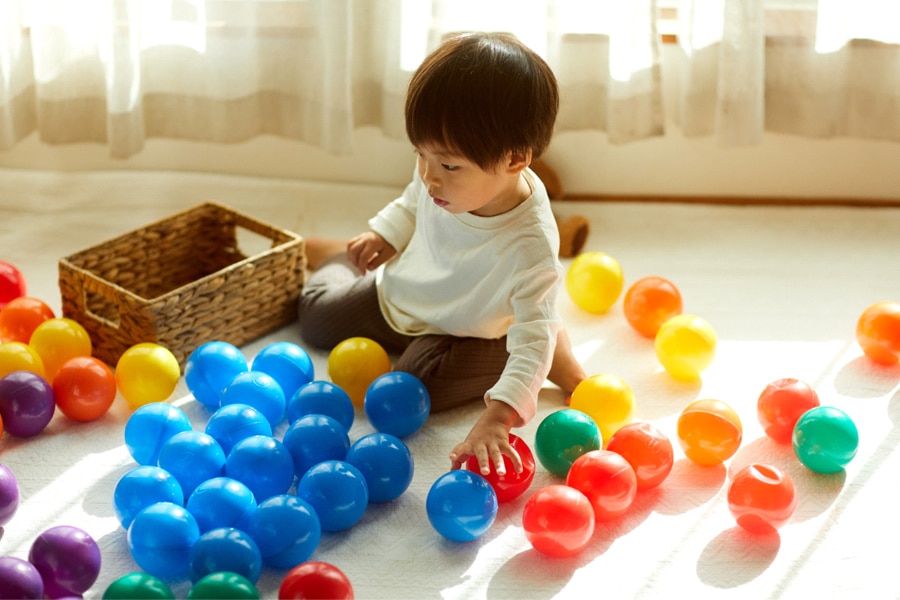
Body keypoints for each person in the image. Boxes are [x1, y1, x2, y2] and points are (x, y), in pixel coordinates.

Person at [298, 32, 586, 477]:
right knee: (315, 318)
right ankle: (344, 253)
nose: (430, 176)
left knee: (414, 387)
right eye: (420, 155)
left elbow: (529, 339)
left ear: (514, 160)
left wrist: (499, 416)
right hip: (407, 291)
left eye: (449, 165)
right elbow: (413, 201)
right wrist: (385, 235)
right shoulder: (438, 178)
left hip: (475, 331)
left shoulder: (532, 247)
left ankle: (557, 349)